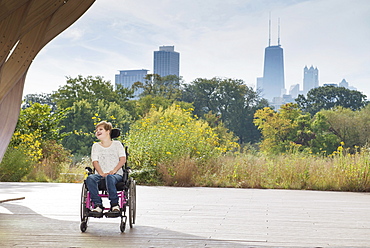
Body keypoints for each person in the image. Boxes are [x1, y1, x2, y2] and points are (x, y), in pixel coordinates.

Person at [86, 121, 126, 217]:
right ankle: (98, 205)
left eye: (101, 129)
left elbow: (123, 159)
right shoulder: (95, 146)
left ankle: (114, 205)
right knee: (90, 178)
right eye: (96, 130)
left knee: (110, 177)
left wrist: (114, 171)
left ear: (108, 131)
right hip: (101, 175)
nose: (97, 132)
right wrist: (101, 173)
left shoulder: (117, 144)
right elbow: (95, 161)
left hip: (116, 175)